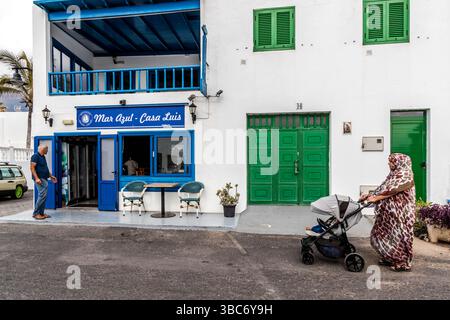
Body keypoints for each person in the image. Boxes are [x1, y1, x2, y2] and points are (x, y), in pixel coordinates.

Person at [359, 153, 416, 272]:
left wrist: (376, 198)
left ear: (399, 162)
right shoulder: (393, 175)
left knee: (397, 236)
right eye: (389, 161)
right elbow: (383, 188)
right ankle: (388, 257)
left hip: (401, 213)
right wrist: (369, 195)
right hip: (387, 214)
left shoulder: (406, 175)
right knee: (381, 234)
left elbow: (393, 190)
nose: (389, 164)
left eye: (392, 162)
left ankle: (401, 262)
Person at [30, 145, 57, 220]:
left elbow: (45, 168)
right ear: (43, 149)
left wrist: (51, 176)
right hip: (40, 179)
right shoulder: (35, 156)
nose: (47, 151)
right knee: (42, 195)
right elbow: (32, 168)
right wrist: (36, 178)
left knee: (44, 197)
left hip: (44, 178)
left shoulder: (43, 157)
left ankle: (41, 213)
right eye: (47, 149)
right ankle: (36, 213)